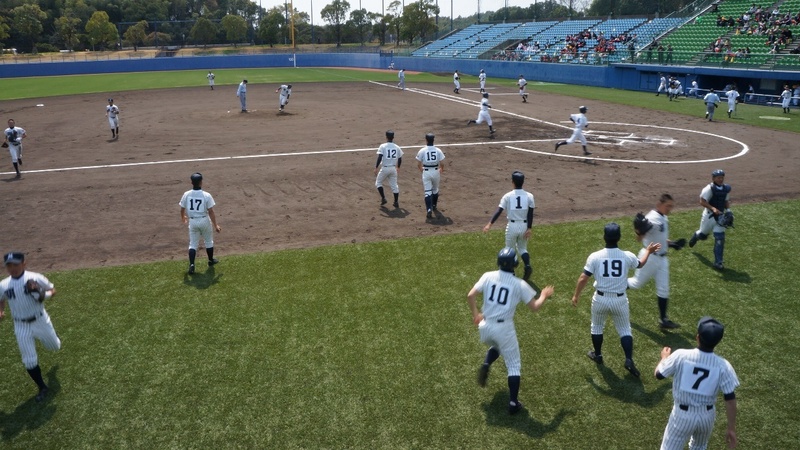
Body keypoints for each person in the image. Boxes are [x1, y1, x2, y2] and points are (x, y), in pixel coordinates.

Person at [468, 247, 555, 415]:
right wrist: (544, 295)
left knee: (497, 346)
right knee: (514, 365)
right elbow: (535, 307)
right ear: (514, 264)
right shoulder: (519, 284)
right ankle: (514, 403)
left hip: (485, 327)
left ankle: (486, 363)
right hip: (503, 328)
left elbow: (470, 295)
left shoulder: (487, 276)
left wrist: (475, 314)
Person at [571, 223, 661, 377]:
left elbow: (583, 278)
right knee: (625, 330)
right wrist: (648, 251)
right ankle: (628, 359)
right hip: (620, 300)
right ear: (619, 238)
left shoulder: (595, 256)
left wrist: (576, 295)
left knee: (597, 327)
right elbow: (640, 264)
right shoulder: (627, 256)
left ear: (604, 237)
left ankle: (598, 355)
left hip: (600, 299)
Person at [655, 317, 739, 449]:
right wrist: (731, 428)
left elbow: (659, 374)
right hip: (707, 417)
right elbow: (730, 399)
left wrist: (664, 358)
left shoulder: (681, 355)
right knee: (699, 447)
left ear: (697, 337)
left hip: (682, 416)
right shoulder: (724, 366)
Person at [0, 252, 60, 402]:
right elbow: (1, 298)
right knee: (29, 360)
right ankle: (42, 387)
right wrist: (1, 310)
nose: (12, 268)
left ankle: (51, 372)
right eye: (9, 265)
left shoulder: (35, 277)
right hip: (20, 325)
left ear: (24, 264)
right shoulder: (3, 285)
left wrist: (41, 295)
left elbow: (53, 290)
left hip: (40, 321)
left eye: (16, 264)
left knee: (55, 346)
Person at [627, 194, 681, 329]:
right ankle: (613, 285)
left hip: (662, 258)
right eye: (667, 206)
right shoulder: (651, 219)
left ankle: (663, 320)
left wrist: (672, 244)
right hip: (650, 257)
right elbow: (639, 239)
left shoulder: (663, 217)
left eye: (671, 206)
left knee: (664, 289)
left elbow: (660, 239)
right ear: (659, 205)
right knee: (636, 283)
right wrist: (639, 232)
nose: (670, 209)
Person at [483, 171, 535, 281]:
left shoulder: (507, 196)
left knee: (509, 250)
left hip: (512, 225)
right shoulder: (530, 196)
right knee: (522, 248)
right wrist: (529, 228)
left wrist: (489, 224)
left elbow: (499, 210)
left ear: (513, 182)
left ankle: (511, 274)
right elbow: (530, 214)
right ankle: (527, 265)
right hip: (524, 225)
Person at [179, 172, 221, 274]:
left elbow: (182, 208)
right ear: (201, 182)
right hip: (204, 220)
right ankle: (210, 260)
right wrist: (216, 225)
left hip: (193, 221)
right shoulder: (206, 195)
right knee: (208, 241)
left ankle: (192, 265)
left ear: (191, 182)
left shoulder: (186, 194)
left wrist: (183, 217)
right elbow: (211, 211)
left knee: (193, 244)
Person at [688, 169, 732, 270]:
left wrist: (728, 210)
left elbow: (726, 201)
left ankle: (718, 262)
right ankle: (696, 236)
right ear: (713, 178)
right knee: (703, 235)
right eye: (718, 177)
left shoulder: (726, 189)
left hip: (720, 217)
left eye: (722, 177)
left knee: (720, 239)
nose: (720, 179)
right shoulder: (709, 189)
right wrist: (712, 208)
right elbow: (702, 201)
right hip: (709, 216)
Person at [415, 133, 445, 219]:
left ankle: (429, 209)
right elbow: (442, 163)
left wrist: (421, 169)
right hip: (436, 171)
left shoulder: (422, 150)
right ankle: (434, 205)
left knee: (428, 191)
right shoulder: (438, 150)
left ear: (426, 140)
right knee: (435, 189)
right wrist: (441, 169)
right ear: (433, 140)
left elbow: (418, 163)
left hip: (426, 172)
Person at [374, 130, 403, 208]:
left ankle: (383, 198)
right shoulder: (397, 147)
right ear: (393, 137)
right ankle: (396, 202)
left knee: (378, 183)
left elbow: (380, 157)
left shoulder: (383, 146)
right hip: (393, 169)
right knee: (394, 186)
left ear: (386, 137)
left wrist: (376, 167)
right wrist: (398, 167)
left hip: (385, 168)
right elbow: (400, 158)